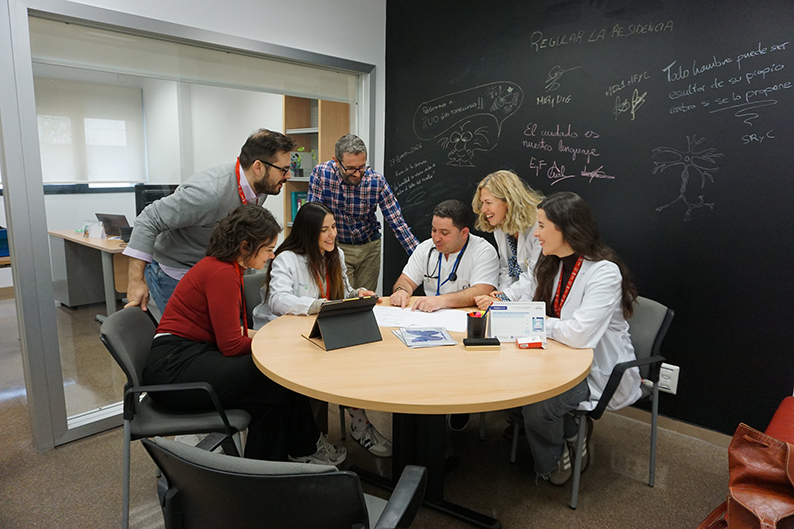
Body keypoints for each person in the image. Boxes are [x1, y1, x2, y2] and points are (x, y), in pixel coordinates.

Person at [142, 205, 346, 465]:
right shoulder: (222, 273)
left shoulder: (225, 268)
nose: (272, 255)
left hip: (187, 355)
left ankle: (274, 464)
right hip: (173, 368)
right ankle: (296, 453)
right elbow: (230, 345)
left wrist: (275, 343)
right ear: (245, 246)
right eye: (268, 249)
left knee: (270, 396)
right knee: (274, 377)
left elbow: (232, 332)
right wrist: (276, 347)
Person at [512, 191, 642, 485]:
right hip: (553, 359)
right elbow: (527, 304)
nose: (535, 233)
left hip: (591, 370)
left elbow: (579, 335)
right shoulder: (550, 261)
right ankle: (571, 430)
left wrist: (537, 323)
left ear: (566, 229)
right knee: (507, 391)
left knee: (538, 407)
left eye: (542, 226)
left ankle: (554, 460)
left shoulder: (604, 273)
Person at [252, 202, 392, 458]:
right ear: (308, 232)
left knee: (355, 356)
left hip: (318, 329)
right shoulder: (287, 258)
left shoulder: (335, 255)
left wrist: (356, 293)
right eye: (324, 230)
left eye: (334, 227)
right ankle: (312, 443)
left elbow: (342, 291)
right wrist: (315, 305)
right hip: (282, 336)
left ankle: (358, 425)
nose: (332, 235)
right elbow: (277, 300)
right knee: (323, 367)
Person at [124, 129, 295, 313]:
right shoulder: (208, 193)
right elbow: (148, 219)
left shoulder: (261, 187)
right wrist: (136, 281)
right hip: (176, 270)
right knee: (186, 330)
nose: (288, 176)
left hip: (211, 270)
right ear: (258, 167)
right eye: (283, 170)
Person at [308, 134, 419, 291]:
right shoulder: (321, 174)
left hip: (369, 248)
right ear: (336, 161)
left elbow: (397, 222)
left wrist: (420, 256)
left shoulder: (376, 181)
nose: (357, 174)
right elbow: (312, 217)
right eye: (350, 168)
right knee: (342, 297)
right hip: (336, 247)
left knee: (365, 298)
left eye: (361, 167)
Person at [390, 199, 499, 312]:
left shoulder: (484, 251)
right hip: (429, 315)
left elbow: (482, 290)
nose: (436, 238)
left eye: (444, 233)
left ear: (464, 233)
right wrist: (401, 291)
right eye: (434, 230)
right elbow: (406, 280)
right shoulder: (425, 248)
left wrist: (441, 301)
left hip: (466, 316)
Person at [470, 170, 544, 311]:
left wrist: (504, 298)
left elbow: (536, 275)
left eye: (488, 202)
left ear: (509, 201)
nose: (484, 209)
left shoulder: (539, 226)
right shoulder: (501, 226)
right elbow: (506, 267)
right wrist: (500, 296)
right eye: (482, 203)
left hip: (541, 301)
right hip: (517, 301)